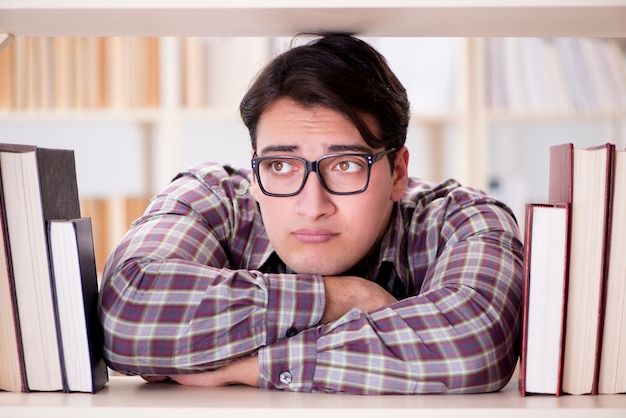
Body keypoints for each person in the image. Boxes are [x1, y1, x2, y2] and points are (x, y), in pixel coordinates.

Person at [99, 34, 524, 395]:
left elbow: (475, 341)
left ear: (397, 173)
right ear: (254, 169)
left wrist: (250, 369)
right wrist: (341, 298)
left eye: (345, 165)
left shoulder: (462, 218)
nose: (312, 205)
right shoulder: (213, 197)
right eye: (281, 166)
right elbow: (126, 312)